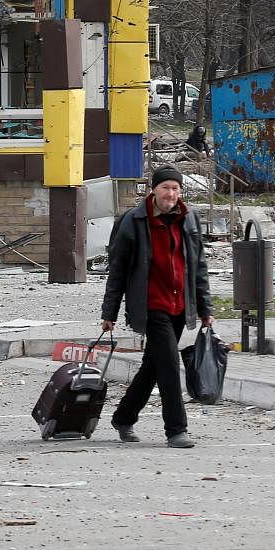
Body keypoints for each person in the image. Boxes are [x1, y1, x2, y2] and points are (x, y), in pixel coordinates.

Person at [101, 165, 214, 447]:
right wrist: (109, 313)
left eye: (176, 188)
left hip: (179, 306)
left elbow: (198, 266)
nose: (171, 194)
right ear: (153, 190)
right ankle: (176, 429)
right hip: (151, 305)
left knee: (153, 365)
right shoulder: (133, 221)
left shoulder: (189, 220)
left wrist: (205, 308)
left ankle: (124, 417)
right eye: (166, 188)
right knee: (168, 365)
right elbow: (117, 271)